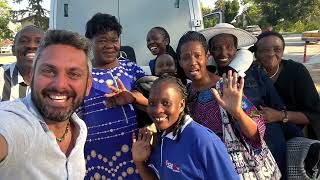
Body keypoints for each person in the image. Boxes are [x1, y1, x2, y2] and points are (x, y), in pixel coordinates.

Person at [176, 31, 281, 179]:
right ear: (180, 62)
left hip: (238, 170)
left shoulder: (226, 87)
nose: (192, 62)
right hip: (208, 169)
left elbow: (257, 133)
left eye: (198, 56)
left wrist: (237, 112)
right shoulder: (186, 93)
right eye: (186, 57)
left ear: (207, 57)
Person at [200, 23, 291, 178]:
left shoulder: (255, 73)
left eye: (229, 47)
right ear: (210, 51)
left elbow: (277, 106)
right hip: (230, 150)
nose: (223, 52)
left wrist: (277, 115)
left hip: (267, 141)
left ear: (237, 49)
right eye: (216, 48)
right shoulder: (206, 79)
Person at [0, 30, 92, 179]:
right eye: (49, 71)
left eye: (74, 74)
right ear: (31, 77)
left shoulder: (79, 127)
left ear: (88, 86)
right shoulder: (13, 121)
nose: (60, 85)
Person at [131, 75, 239, 179]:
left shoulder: (203, 140)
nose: (157, 110)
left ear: (181, 105)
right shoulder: (160, 139)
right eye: (152, 103)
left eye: (166, 103)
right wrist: (140, 162)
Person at [79, 13, 145, 179]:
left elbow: (156, 104)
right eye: (102, 40)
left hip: (133, 156)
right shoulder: (81, 75)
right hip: (94, 157)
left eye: (114, 40)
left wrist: (133, 97)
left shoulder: (132, 70)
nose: (110, 46)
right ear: (89, 42)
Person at [253, 31, 320, 140]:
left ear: (283, 51)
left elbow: (314, 115)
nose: (271, 54)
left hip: (295, 136)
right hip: (260, 135)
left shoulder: (296, 71)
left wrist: (280, 115)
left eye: (277, 49)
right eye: (264, 50)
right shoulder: (250, 73)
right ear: (256, 54)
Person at [0, 25, 44, 101]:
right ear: (13, 50)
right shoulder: (1, 77)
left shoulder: (57, 80)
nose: (32, 46)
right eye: (24, 41)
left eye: (39, 42)